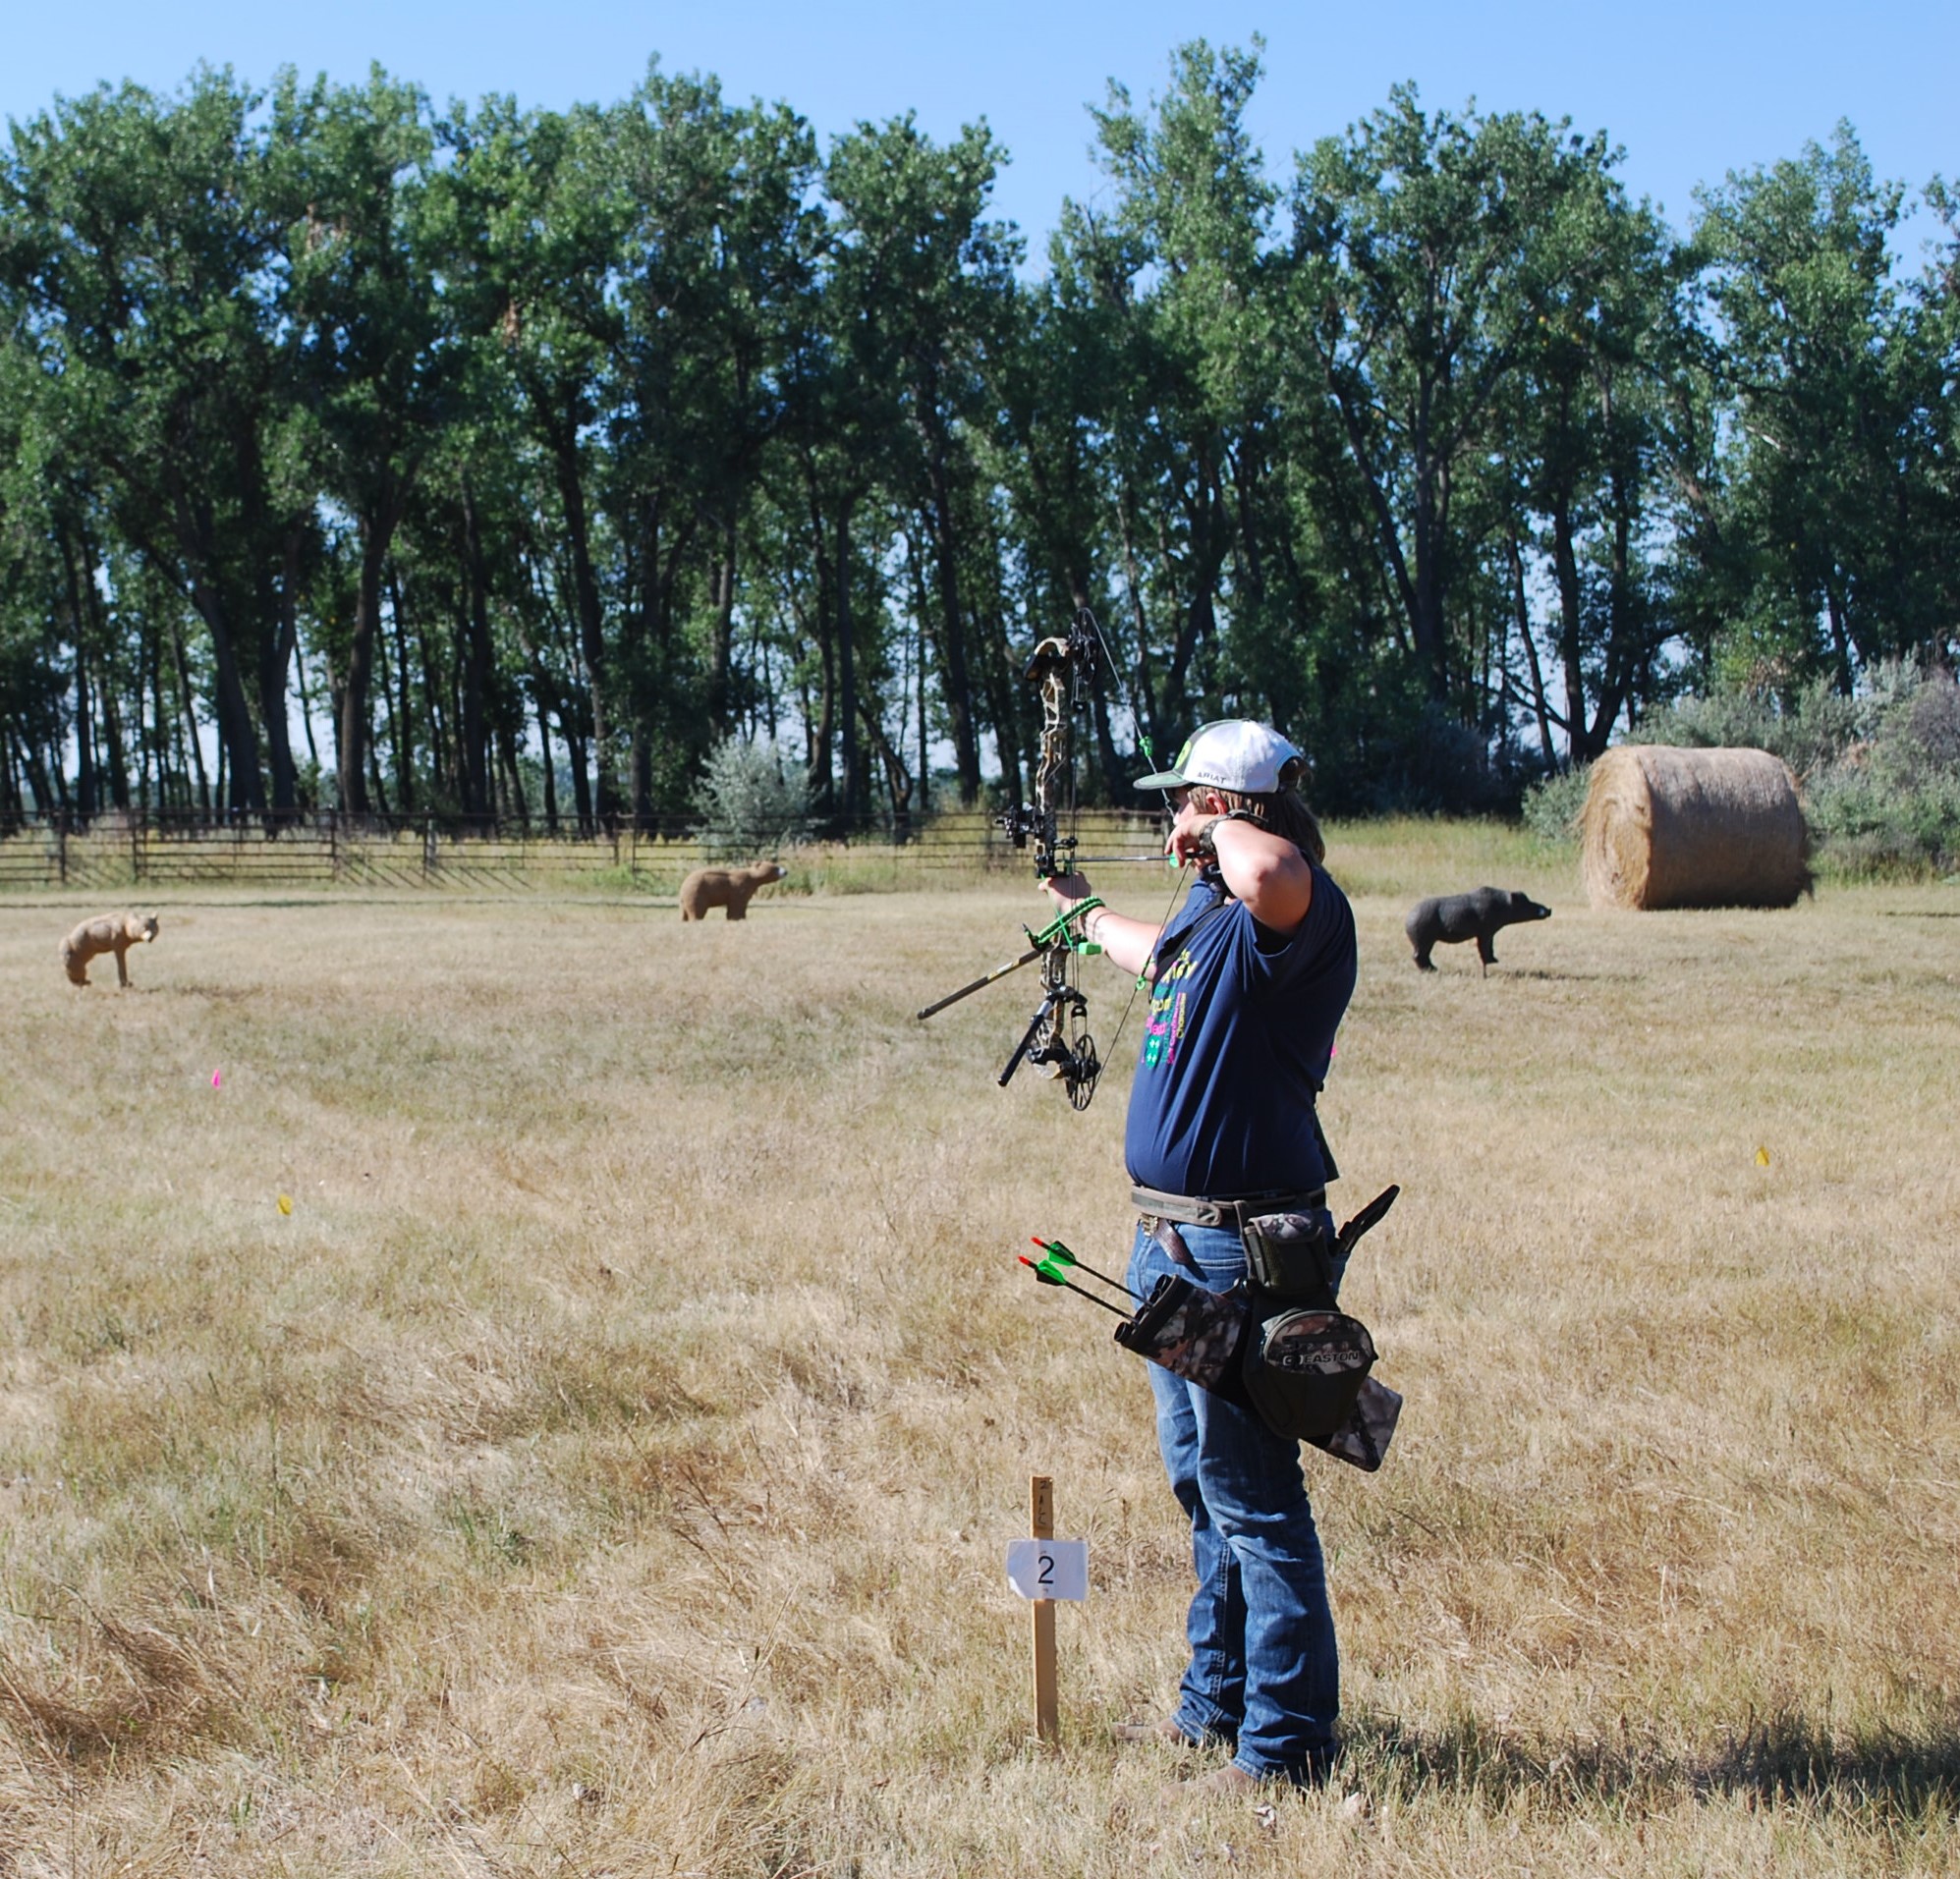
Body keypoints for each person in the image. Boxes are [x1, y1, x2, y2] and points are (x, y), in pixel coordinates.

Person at [1041, 719, 1358, 1794]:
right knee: (1202, 1484)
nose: (1170, 822)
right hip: (1174, 1240)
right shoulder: (1214, 916)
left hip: (1243, 1249)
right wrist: (1081, 915)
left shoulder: (1294, 907)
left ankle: (1286, 1749)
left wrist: (1220, 825)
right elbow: (1151, 950)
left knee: (1255, 1493)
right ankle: (1212, 1708)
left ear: (1233, 809)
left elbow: (1269, 862)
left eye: (1186, 802)